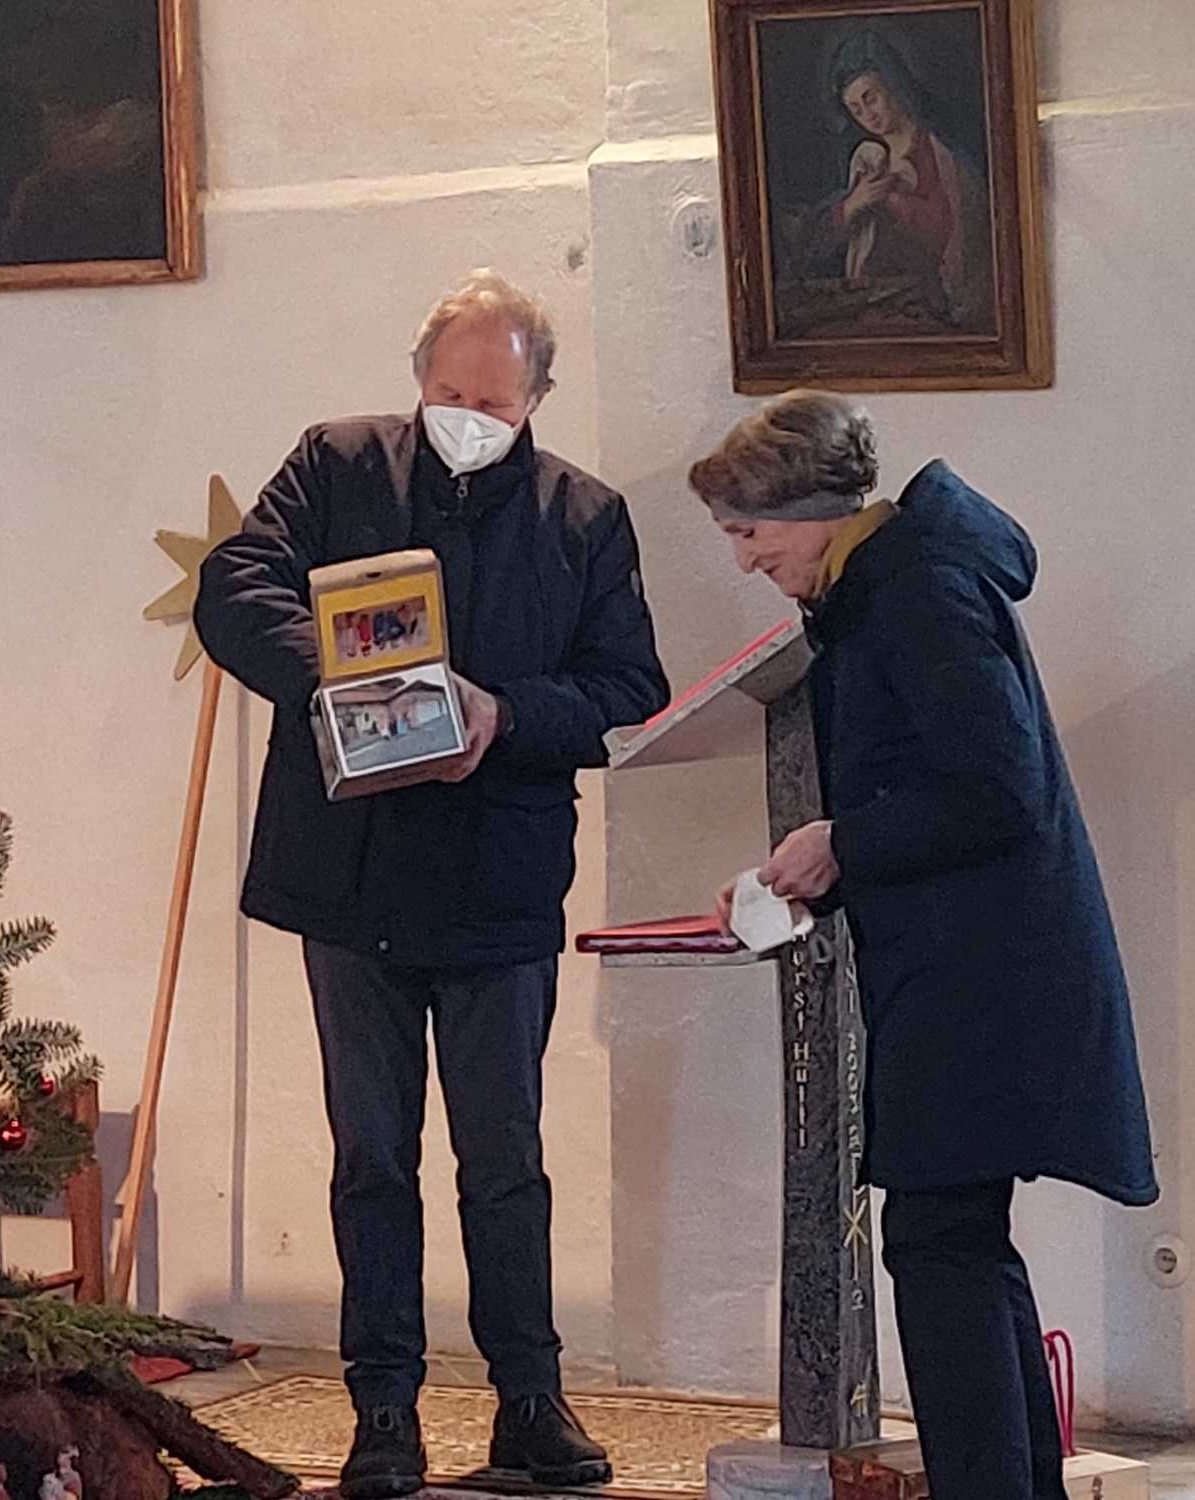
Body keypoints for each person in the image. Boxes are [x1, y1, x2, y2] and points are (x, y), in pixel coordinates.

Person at [195, 270, 669, 1500]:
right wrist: (342, 680)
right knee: (371, 1157)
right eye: (449, 394)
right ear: (419, 383)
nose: (468, 417)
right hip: (348, 879)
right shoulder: (336, 465)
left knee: (504, 1158)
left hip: (499, 883)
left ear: (536, 399)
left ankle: (529, 1402)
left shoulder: (583, 517)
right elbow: (233, 588)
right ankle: (383, 1411)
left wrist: (501, 715)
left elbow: (629, 689)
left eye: (493, 403)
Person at [688, 391, 1157, 1500]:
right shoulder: (890, 581)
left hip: (982, 976)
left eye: (748, 533)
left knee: (940, 1241)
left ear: (804, 509)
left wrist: (839, 843)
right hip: (969, 964)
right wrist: (826, 865)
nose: (745, 559)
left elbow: (996, 788)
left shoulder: (914, 590)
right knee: (958, 1238)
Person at [797, 29, 994, 331]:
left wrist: (895, 201)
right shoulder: (867, 160)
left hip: (931, 306)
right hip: (870, 305)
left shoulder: (937, 151)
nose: (868, 115)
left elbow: (962, 230)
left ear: (892, 84)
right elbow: (815, 245)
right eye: (856, 110)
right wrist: (851, 206)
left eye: (871, 98)